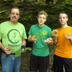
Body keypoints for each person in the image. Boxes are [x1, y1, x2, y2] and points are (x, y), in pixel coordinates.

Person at [0, 6, 27, 72]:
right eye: (13, 13)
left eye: (17, 14)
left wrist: (23, 46)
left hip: (18, 56)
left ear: (19, 16)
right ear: (9, 15)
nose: (14, 15)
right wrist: (3, 48)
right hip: (6, 56)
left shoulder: (21, 26)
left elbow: (23, 40)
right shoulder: (2, 25)